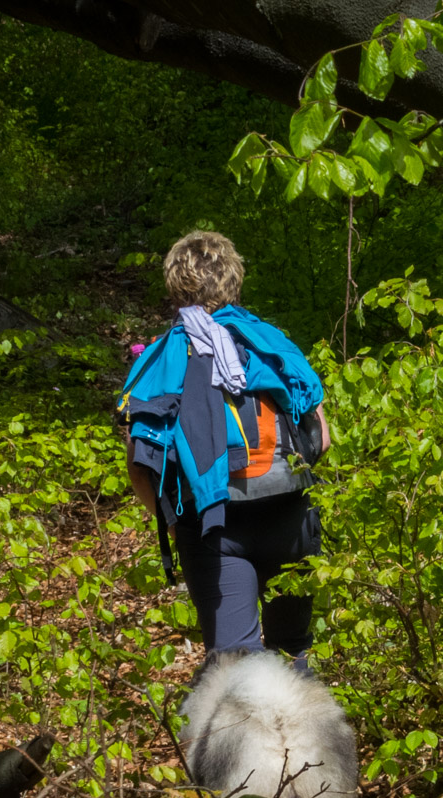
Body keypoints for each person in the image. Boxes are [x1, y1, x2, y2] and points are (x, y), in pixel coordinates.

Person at [116, 231, 332, 670]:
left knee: (237, 669)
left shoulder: (161, 358)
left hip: (212, 528)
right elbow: (322, 437)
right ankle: (303, 740)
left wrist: (176, 525)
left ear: (175, 287)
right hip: (291, 515)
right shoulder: (271, 344)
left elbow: (142, 466)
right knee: (293, 652)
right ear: (234, 280)